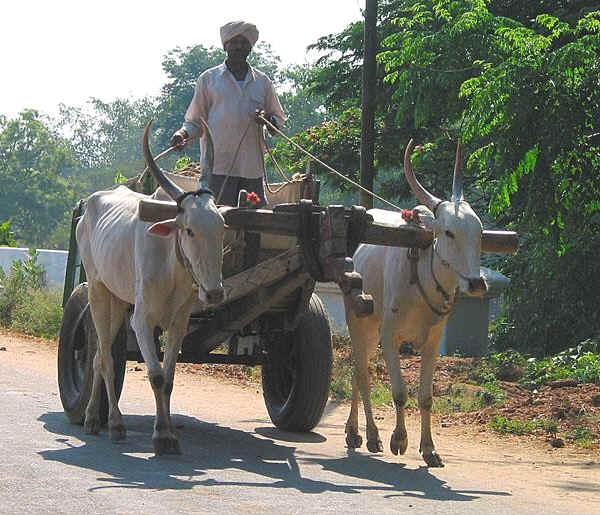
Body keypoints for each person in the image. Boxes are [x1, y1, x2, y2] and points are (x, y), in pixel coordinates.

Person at [170, 21, 286, 208]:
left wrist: (266, 120)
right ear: (225, 45)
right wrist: (182, 134)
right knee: (214, 224)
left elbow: (278, 121)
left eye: (244, 42)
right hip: (217, 168)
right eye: (234, 42)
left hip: (251, 169)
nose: (239, 46)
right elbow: (195, 122)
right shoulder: (208, 80)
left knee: (252, 226)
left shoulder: (263, 83)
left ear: (250, 47)